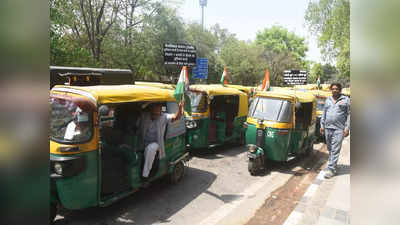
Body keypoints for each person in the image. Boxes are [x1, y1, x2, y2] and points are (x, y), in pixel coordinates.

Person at [137, 101, 184, 179]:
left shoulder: (163, 117)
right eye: (153, 113)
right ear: (150, 110)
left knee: (151, 148)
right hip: (143, 142)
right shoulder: (144, 115)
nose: (155, 116)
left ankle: (145, 174)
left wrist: (180, 107)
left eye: (157, 113)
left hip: (156, 144)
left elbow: (176, 117)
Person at [320, 83, 350, 178]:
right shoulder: (328, 100)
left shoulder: (346, 100)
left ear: (340, 90)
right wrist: (322, 125)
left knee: (335, 149)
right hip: (328, 128)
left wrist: (347, 128)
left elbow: (349, 114)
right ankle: (333, 164)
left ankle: (331, 169)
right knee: (330, 148)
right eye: (333, 89)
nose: (334, 90)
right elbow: (324, 113)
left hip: (339, 129)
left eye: (336, 89)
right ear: (331, 90)